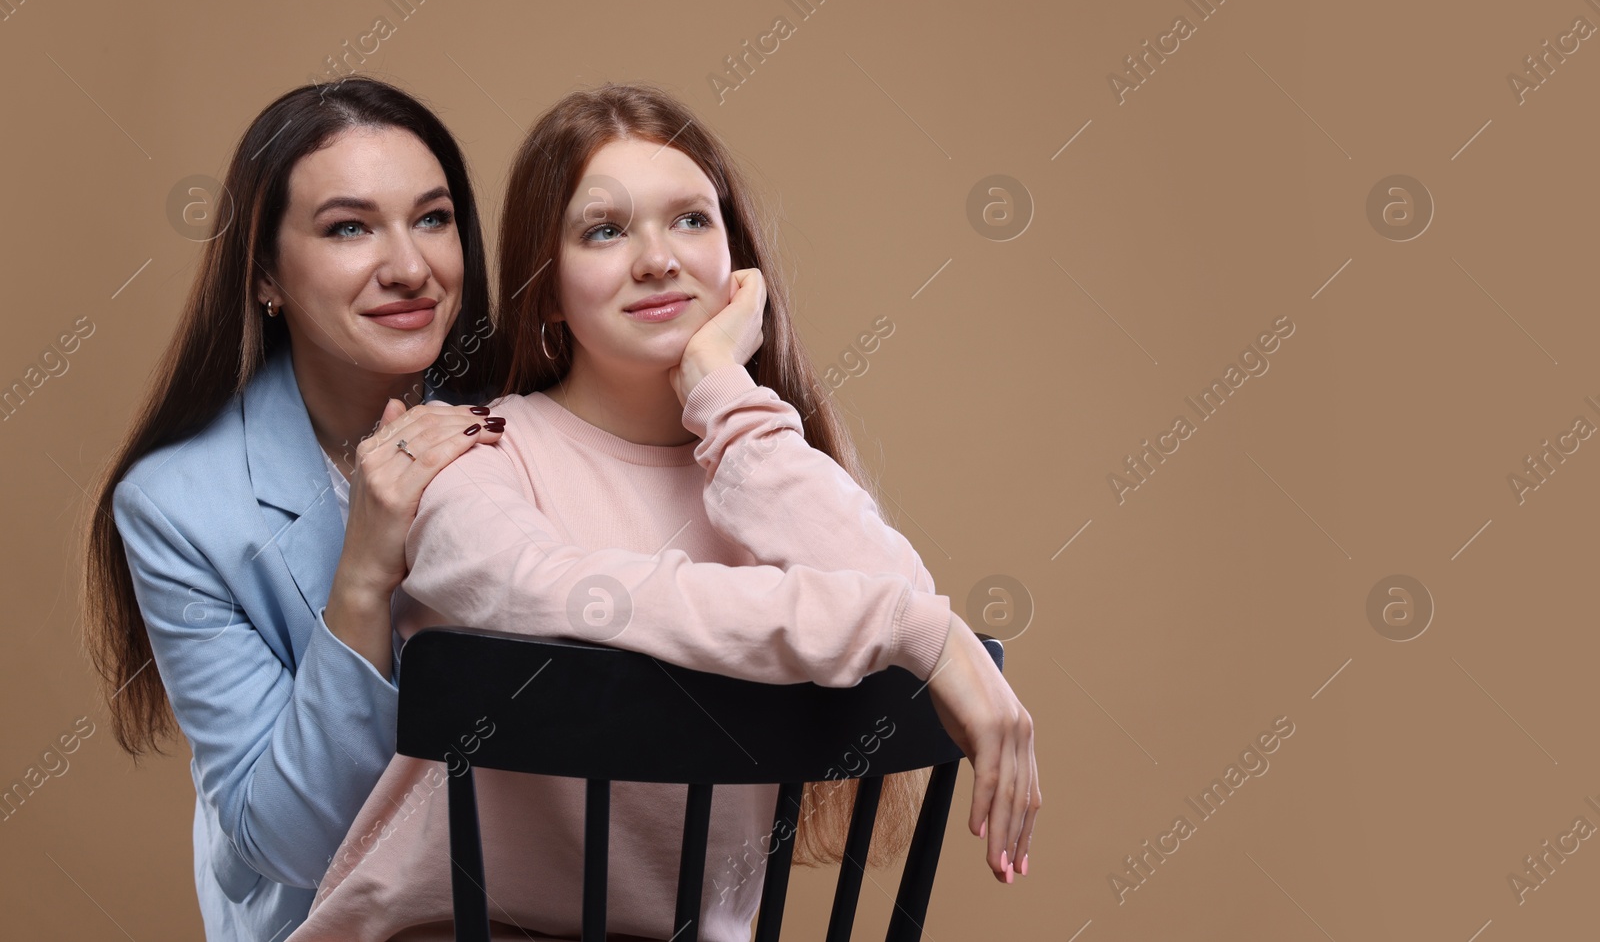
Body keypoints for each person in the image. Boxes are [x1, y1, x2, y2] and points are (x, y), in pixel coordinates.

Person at [289, 83, 1041, 942]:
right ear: (548, 286)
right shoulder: (476, 457)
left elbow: (903, 594)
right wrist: (907, 625)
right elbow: (549, 591)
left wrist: (725, 392)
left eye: (691, 220)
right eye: (604, 230)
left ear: (737, 263)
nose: (657, 259)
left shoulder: (760, 470)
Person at [82, 76, 509, 940]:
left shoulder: (522, 416)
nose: (410, 267)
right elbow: (295, 839)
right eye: (350, 227)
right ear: (267, 273)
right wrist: (362, 570)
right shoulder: (174, 507)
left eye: (432, 217)